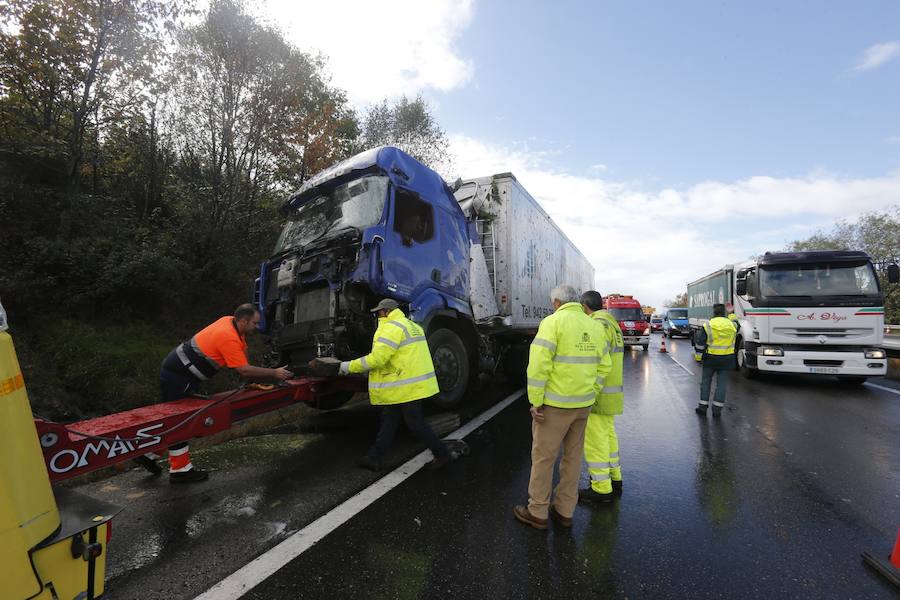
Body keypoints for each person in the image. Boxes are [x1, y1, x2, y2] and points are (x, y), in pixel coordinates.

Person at [151, 304, 293, 483]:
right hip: (177, 375)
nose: (257, 327)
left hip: (181, 372)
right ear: (243, 320)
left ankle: (149, 456)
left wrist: (255, 379)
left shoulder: (230, 322)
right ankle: (180, 471)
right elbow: (244, 370)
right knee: (180, 421)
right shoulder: (228, 336)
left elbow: (241, 360)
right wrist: (274, 374)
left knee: (175, 420)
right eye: (254, 324)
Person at [514, 285, 612, 530]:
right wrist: (591, 392)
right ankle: (564, 511)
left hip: (554, 407)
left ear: (556, 302)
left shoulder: (552, 322)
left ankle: (537, 511)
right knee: (573, 458)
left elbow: (538, 365)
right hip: (583, 406)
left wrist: (536, 401)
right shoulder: (595, 326)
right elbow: (604, 366)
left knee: (544, 458)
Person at [333, 298, 452, 471]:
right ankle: (374, 457)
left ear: (387, 311)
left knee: (416, 424)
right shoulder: (412, 326)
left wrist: (346, 367)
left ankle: (442, 454)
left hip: (404, 386)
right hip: (409, 384)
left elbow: (377, 359)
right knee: (389, 420)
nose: (377, 315)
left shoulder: (390, 328)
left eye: (379, 312)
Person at [579, 291, 624, 504]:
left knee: (595, 440)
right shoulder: (611, 323)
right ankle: (615, 478)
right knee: (608, 436)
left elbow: (596, 361)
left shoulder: (597, 325)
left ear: (585, 306)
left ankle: (601, 488)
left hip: (600, 393)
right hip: (612, 393)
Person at [695, 303, 738, 418]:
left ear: (713, 312)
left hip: (710, 359)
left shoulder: (708, 325)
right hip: (727, 359)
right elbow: (737, 324)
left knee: (706, 383)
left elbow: (700, 345)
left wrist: (698, 358)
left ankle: (703, 408)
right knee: (721, 385)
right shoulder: (731, 324)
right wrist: (731, 313)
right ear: (724, 312)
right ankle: (717, 410)